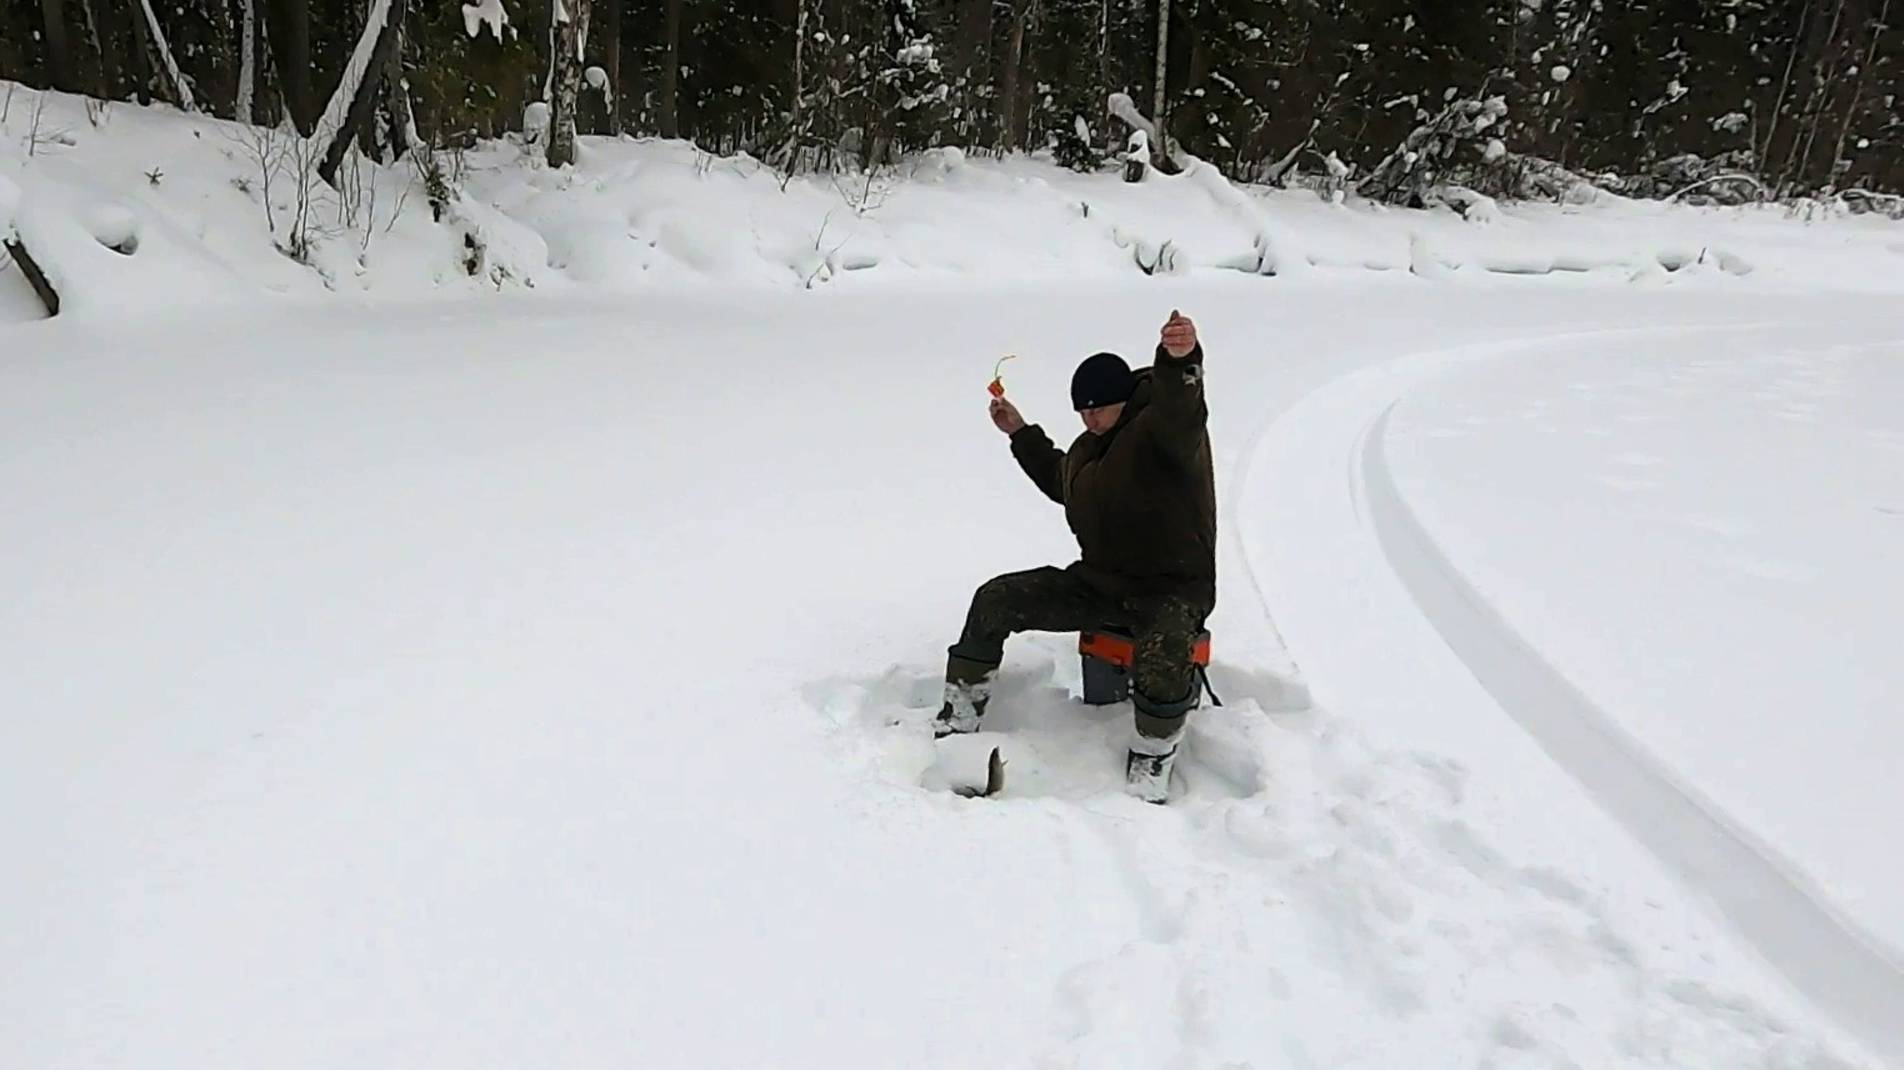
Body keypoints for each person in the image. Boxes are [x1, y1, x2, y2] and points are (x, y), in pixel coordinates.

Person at [934, 310, 1215, 803]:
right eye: (1082, 412)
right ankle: (959, 715)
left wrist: (1181, 359)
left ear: (1125, 401)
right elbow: (1065, 482)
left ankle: (1151, 761)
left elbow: (1181, 405)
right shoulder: (1091, 448)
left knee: (1166, 652)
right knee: (996, 599)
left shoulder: (1163, 435)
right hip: (1101, 585)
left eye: (1099, 410)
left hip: (1170, 589)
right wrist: (1020, 433)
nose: (1090, 419)